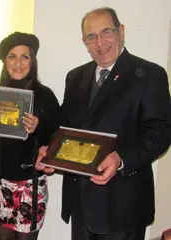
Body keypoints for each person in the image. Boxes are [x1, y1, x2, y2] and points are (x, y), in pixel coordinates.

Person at [36, 7, 171, 240]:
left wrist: (121, 159)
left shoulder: (151, 75)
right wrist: (50, 154)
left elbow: (160, 133)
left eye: (106, 32)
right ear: (84, 42)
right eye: (91, 36)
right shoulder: (75, 77)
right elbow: (64, 127)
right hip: (81, 203)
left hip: (123, 205)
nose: (100, 42)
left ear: (121, 31)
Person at [0, 32, 60, 240]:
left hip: (30, 184)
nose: (18, 63)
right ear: (4, 61)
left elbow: (56, 139)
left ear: (32, 61)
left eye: (24, 56)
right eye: (12, 56)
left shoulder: (45, 96)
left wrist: (39, 127)